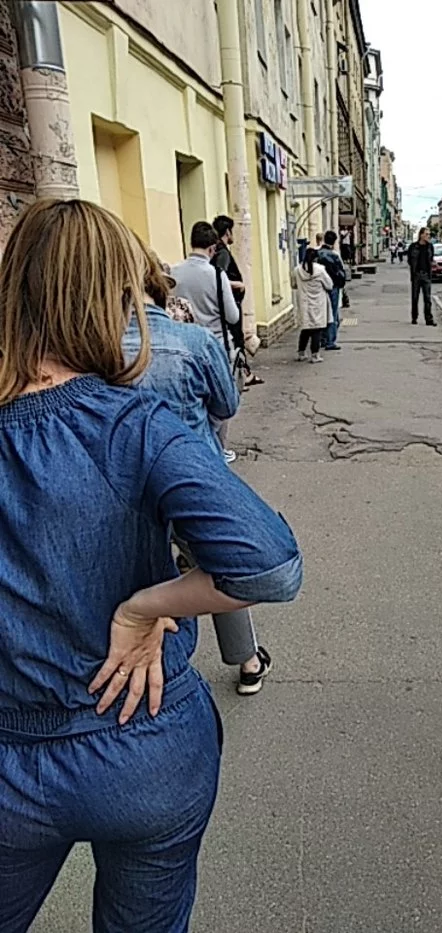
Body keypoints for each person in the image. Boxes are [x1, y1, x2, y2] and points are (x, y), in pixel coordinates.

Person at [0, 198, 302, 931]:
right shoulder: (135, 423)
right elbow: (268, 566)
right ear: (112, 298)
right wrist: (146, 606)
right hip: (146, 747)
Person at [123, 248, 273, 696]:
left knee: (140, 575)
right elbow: (227, 404)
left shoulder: (98, 348)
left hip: (126, 484)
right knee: (217, 567)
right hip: (191, 475)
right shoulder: (195, 342)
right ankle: (247, 663)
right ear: (159, 286)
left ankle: (149, 665)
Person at [172, 221, 240, 461]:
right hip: (215, 344)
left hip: (181, 345)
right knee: (220, 401)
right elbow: (232, 316)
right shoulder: (216, 274)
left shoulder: (173, 272)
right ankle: (219, 450)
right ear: (212, 248)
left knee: (192, 400)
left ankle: (196, 448)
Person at [211, 214, 264, 389]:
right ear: (227, 231)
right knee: (236, 338)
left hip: (227, 302)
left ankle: (244, 373)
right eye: (231, 231)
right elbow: (220, 275)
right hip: (230, 303)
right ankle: (241, 375)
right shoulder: (222, 252)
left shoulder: (217, 251)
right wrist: (238, 285)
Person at [294, 247, 334, 363]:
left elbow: (293, 284)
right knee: (316, 329)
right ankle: (315, 355)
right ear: (316, 258)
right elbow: (329, 285)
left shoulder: (297, 270)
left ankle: (301, 353)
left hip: (304, 302)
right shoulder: (320, 270)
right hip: (318, 303)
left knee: (306, 328)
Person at [317, 230, 346, 351]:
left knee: (323, 312)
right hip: (333, 286)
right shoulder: (334, 255)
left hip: (320, 287)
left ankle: (322, 339)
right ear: (334, 241)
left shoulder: (317, 254)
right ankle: (330, 341)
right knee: (333, 314)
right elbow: (340, 272)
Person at [407, 227, 437, 326]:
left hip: (426, 275)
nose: (428, 236)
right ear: (421, 235)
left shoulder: (430, 247)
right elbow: (410, 260)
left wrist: (432, 265)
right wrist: (414, 271)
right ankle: (414, 317)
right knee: (415, 298)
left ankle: (429, 319)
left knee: (427, 299)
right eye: (427, 234)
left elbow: (431, 258)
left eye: (429, 234)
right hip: (416, 275)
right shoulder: (413, 246)